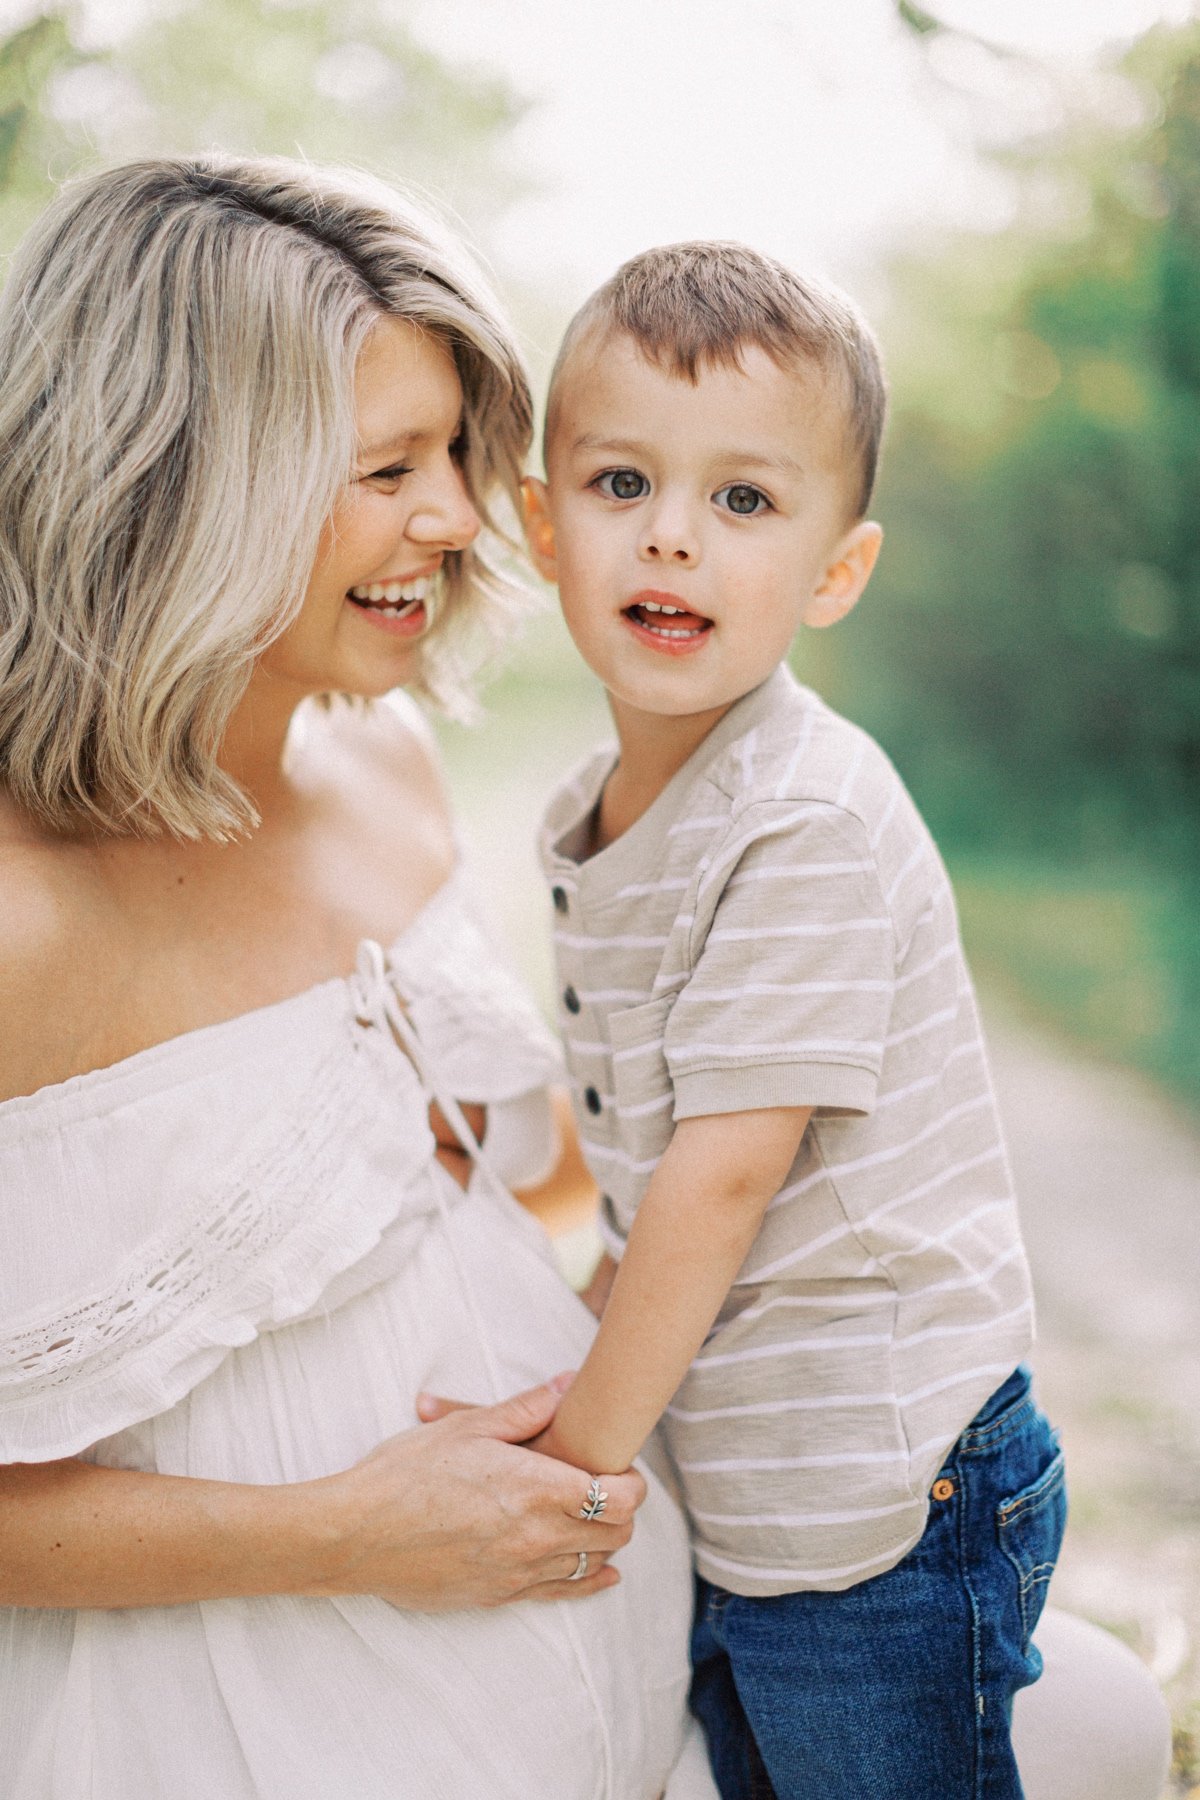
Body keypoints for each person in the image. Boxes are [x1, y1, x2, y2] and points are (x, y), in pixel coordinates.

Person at [0, 156, 720, 1800]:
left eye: (459, 451)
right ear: (170, 484)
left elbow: (477, 1179)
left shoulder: (383, 757)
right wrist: (341, 1532)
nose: (461, 516)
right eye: (388, 465)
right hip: (229, 1726)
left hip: (593, 1666)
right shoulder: (16, 920)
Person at [520, 241, 1103, 1797]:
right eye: (622, 481)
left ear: (836, 572)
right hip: (760, 1472)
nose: (673, 538)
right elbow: (638, 1171)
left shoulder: (801, 820)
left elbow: (718, 1179)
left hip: (884, 1496)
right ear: (536, 521)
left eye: (746, 502)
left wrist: (580, 1462)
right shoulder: (596, 811)